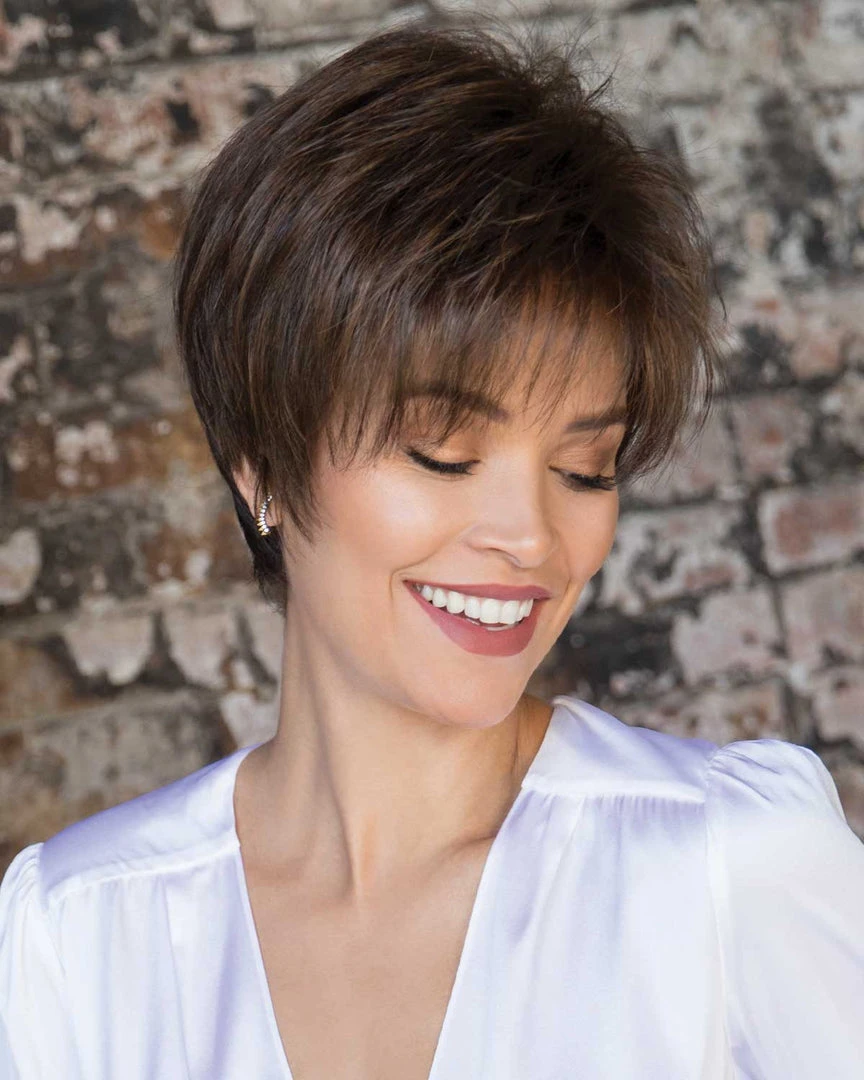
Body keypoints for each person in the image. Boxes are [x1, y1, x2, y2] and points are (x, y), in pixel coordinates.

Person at [2, 19, 863, 1080]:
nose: (530, 535)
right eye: (442, 453)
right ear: (261, 466)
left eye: (585, 467)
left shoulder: (730, 871)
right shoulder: (80, 938)